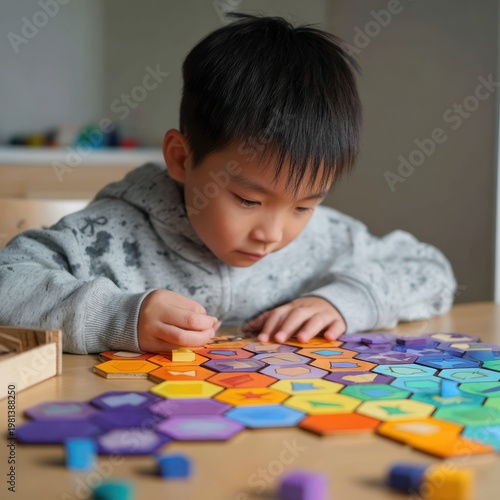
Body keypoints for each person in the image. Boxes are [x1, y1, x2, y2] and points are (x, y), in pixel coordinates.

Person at [0, 14, 456, 354]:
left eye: (303, 206)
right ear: (181, 157)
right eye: (247, 199)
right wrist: (121, 317)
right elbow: (8, 283)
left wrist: (346, 301)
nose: (272, 234)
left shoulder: (325, 240)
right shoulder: (109, 237)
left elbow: (431, 272)